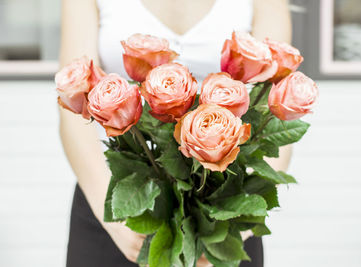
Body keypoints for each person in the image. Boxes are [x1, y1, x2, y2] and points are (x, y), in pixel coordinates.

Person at [59, 0, 293, 266]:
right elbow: (72, 110)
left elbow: (272, 107)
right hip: (114, 201)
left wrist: (240, 224)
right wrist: (116, 220)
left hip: (223, 216)